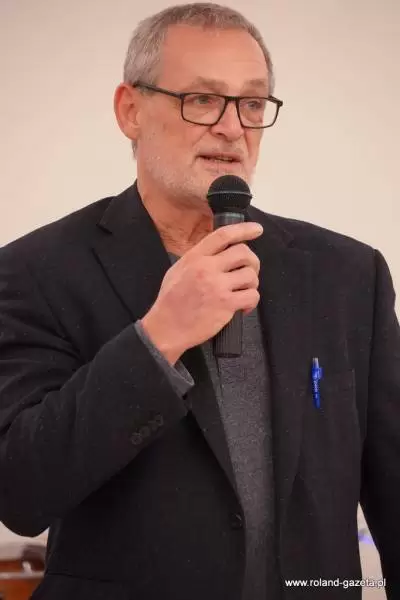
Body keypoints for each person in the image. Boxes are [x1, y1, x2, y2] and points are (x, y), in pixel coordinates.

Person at [0, 3, 398, 599]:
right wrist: (158, 339)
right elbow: (21, 491)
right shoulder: (36, 271)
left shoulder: (347, 274)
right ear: (130, 110)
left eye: (253, 104)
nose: (233, 127)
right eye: (203, 100)